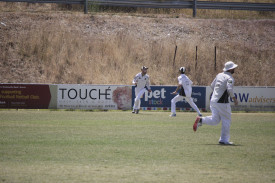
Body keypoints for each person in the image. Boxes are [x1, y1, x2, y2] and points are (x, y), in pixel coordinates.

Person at [193, 61, 239, 145]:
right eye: (233, 68)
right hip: (222, 102)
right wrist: (234, 99)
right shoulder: (230, 78)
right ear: (230, 69)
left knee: (215, 120)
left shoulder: (219, 75)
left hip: (213, 100)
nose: (234, 69)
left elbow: (212, 85)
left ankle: (201, 120)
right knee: (226, 120)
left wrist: (217, 93)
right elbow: (229, 89)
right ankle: (224, 140)